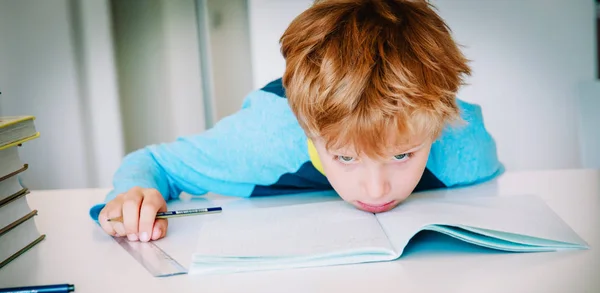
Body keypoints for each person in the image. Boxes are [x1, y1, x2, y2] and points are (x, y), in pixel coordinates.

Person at [90, 0, 501, 243]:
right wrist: (135, 194)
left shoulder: (465, 148)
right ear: (307, 130)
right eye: (345, 158)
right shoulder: (262, 139)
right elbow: (156, 163)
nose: (376, 189)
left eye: (402, 155)